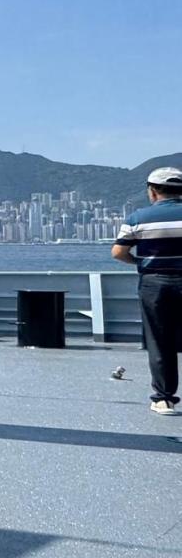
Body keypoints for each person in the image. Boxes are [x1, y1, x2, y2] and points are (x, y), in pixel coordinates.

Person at [112, 166, 182, 416]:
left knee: (160, 341)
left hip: (155, 283)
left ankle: (164, 399)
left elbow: (118, 252)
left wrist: (140, 263)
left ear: (152, 191)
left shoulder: (138, 218)